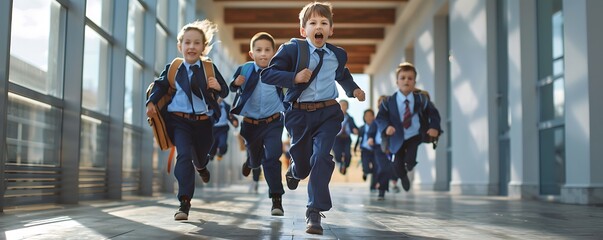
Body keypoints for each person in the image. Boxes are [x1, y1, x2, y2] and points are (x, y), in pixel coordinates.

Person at [261, 2, 366, 235]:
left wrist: (354, 90)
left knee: (321, 157)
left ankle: (314, 211)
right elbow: (268, 74)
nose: (318, 27)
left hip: (328, 113)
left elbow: (343, 75)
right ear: (303, 30)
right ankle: (295, 171)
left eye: (323, 23)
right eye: (313, 23)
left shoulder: (337, 54)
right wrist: (294, 77)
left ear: (331, 29)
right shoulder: (292, 50)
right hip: (299, 114)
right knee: (303, 165)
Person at [146, 19, 228, 221]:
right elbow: (160, 86)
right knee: (183, 156)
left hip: (203, 122)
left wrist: (217, 86)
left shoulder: (209, 68)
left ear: (203, 47)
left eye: (196, 43)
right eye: (187, 42)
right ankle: (184, 202)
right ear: (180, 46)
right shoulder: (174, 68)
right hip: (179, 121)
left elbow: (224, 91)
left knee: (200, 156)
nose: (191, 47)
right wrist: (151, 103)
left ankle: (201, 166)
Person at [230, 32, 286, 216]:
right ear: (252, 53)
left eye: (267, 50)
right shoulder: (245, 69)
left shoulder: (278, 71)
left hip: (273, 122)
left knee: (272, 157)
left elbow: (292, 85)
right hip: (250, 124)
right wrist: (236, 83)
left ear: (274, 52)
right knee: (256, 161)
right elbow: (232, 87)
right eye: (259, 50)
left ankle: (276, 198)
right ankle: (251, 162)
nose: (263, 54)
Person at [375, 62, 441, 192]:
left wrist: (434, 127)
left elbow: (433, 114)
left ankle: (409, 166)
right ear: (397, 82)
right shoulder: (388, 101)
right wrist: (387, 126)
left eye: (410, 78)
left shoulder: (421, 99)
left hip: (414, 134)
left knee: (410, 160)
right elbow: (380, 117)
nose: (406, 81)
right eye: (403, 78)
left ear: (414, 82)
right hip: (396, 136)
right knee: (397, 164)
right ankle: (403, 176)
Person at [332, 99, 358, 175]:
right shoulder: (334, 117)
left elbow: (353, 127)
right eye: (341, 105)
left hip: (347, 138)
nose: (343, 107)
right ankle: (340, 164)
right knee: (337, 153)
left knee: (348, 154)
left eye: (345, 105)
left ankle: (345, 166)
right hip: (337, 138)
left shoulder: (350, 118)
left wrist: (355, 130)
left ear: (347, 107)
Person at [354, 109, 376, 191]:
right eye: (367, 116)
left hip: (374, 150)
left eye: (370, 116)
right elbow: (358, 139)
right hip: (365, 150)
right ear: (364, 117)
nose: (369, 118)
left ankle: (373, 186)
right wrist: (355, 148)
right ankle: (365, 172)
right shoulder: (362, 128)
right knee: (366, 167)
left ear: (373, 117)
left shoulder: (376, 126)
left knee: (375, 168)